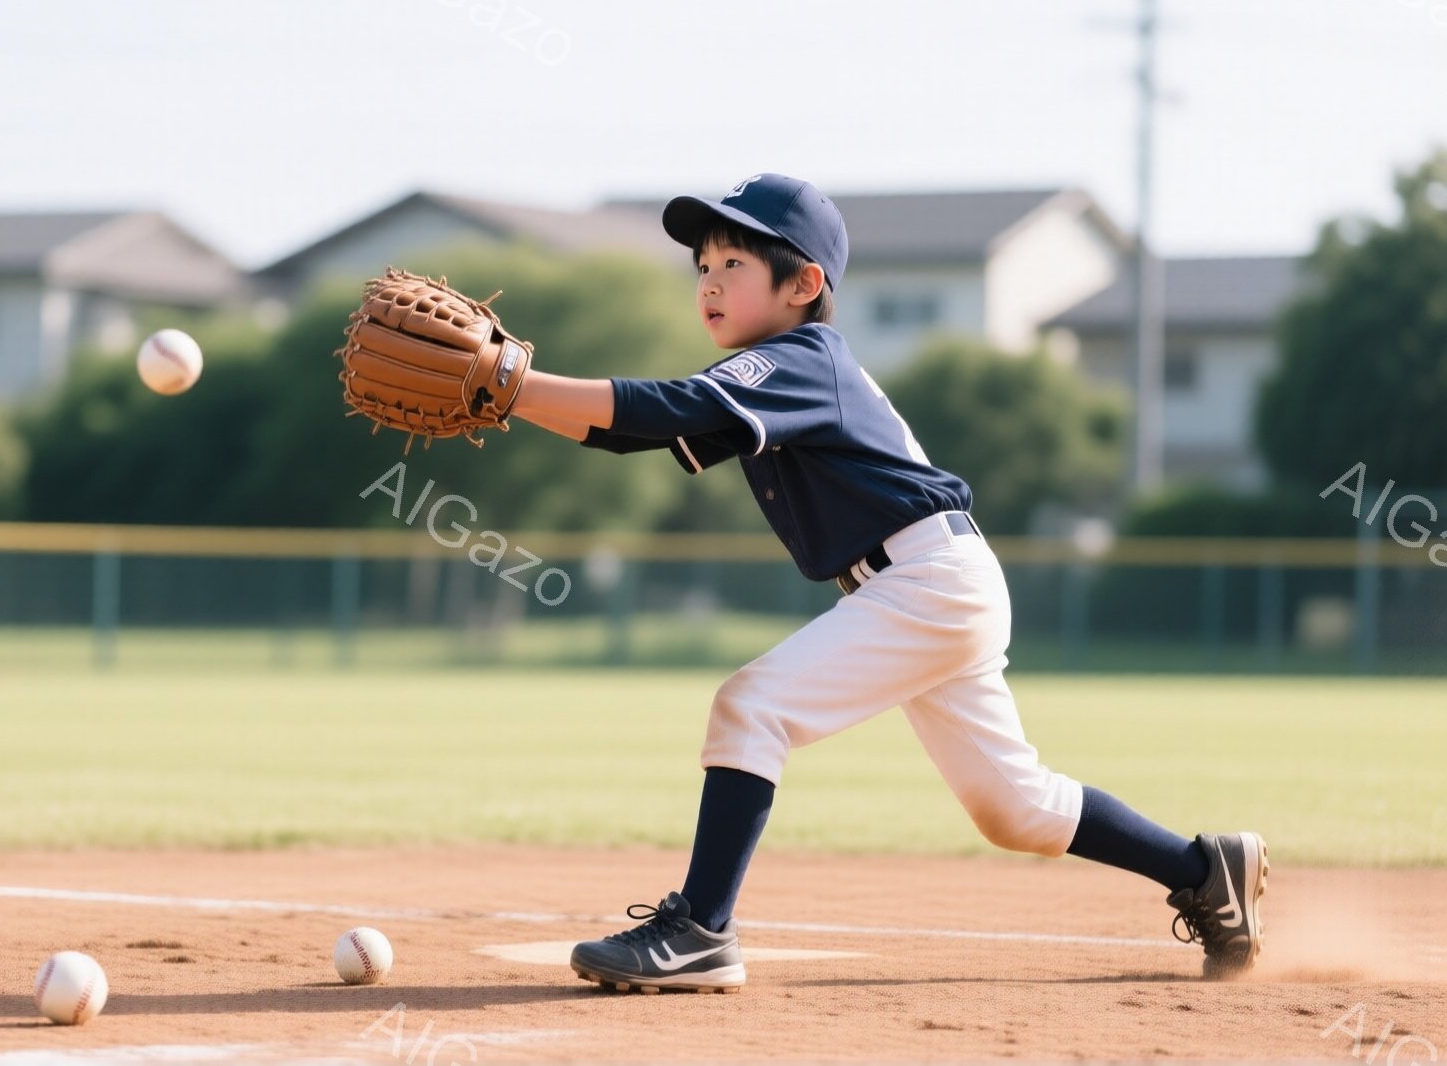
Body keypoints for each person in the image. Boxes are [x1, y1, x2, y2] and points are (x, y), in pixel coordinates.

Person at [507, 172, 1266, 993]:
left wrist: (508, 377)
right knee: (1016, 808)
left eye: (734, 261)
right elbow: (635, 435)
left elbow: (665, 410)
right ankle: (1203, 868)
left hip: (927, 579)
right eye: (702, 266)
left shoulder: (803, 358)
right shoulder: (775, 370)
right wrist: (505, 396)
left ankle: (700, 929)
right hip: (928, 584)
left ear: (804, 285)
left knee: (751, 704)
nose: (711, 280)